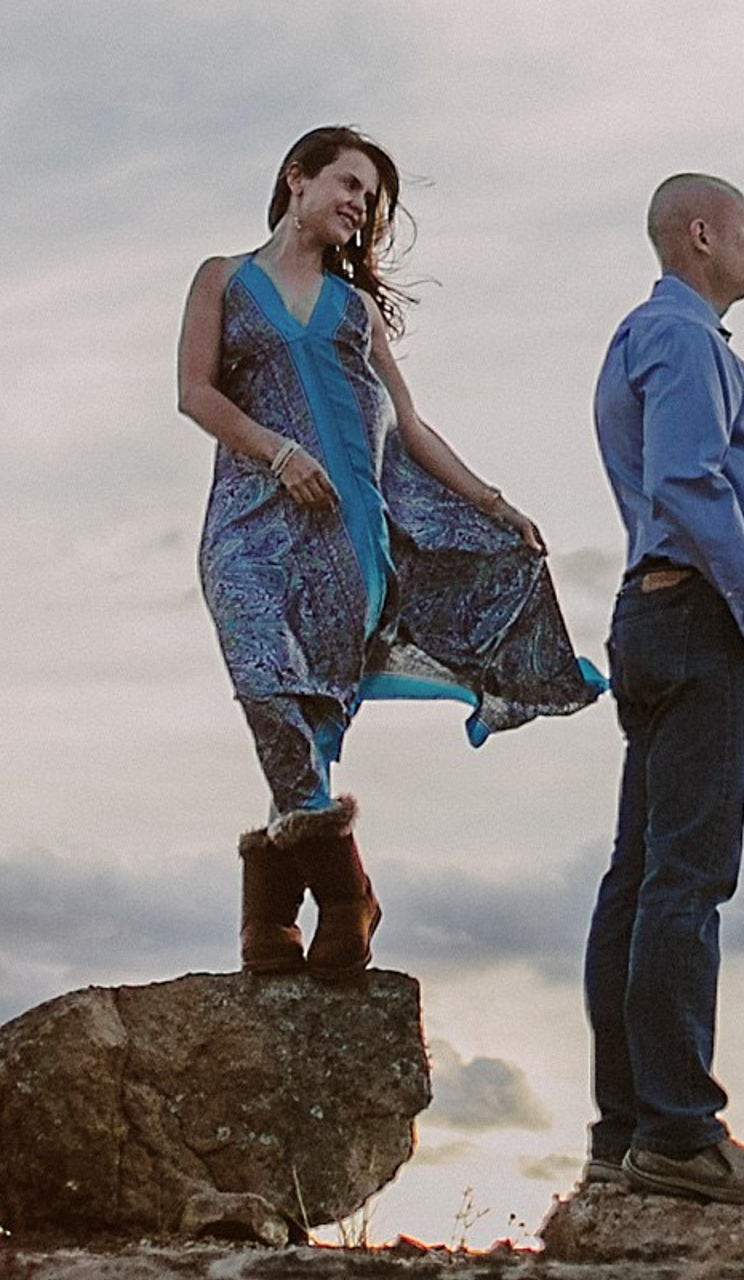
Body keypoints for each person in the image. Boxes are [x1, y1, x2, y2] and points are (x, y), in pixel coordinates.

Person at [179, 124, 602, 980]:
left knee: (312, 720)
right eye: (348, 184)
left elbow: (407, 424)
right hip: (249, 527)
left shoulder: (356, 309)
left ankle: (269, 921)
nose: (360, 206)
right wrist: (278, 452)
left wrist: (490, 500)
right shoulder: (223, 279)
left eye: (370, 199)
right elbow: (194, 393)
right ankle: (346, 892)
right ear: (296, 179)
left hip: (350, 539)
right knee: (266, 683)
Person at [581, 173, 744, 1208]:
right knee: (685, 879)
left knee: (639, 877)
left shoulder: (646, 338)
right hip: (700, 618)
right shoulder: (681, 342)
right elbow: (687, 478)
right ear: (704, 233)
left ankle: (626, 1131)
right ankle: (679, 1132)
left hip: (657, 612)